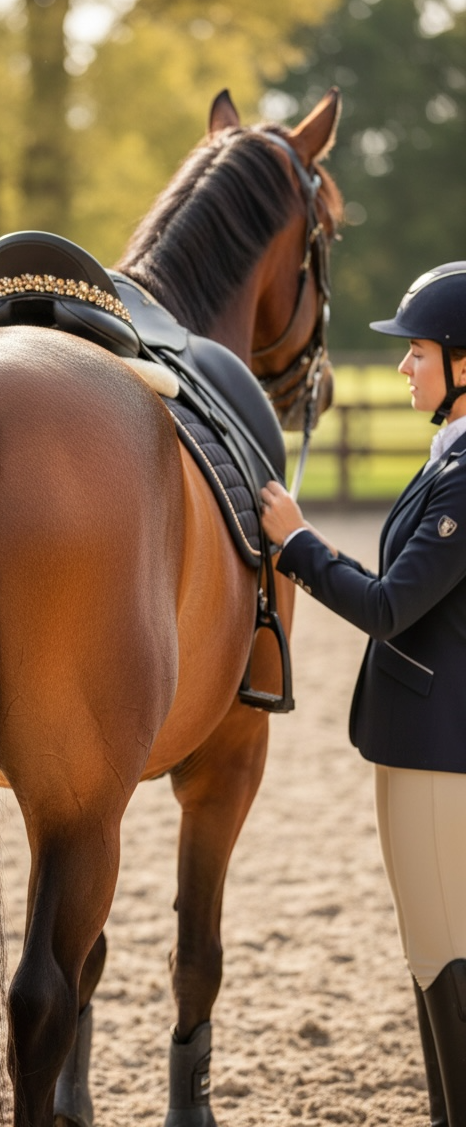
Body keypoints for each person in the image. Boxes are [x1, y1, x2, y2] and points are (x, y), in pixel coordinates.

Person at [260, 262, 466, 1127]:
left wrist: (299, 545)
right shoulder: (449, 459)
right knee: (433, 958)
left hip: (438, 752)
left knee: (446, 958)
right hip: (418, 741)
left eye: (416, 352)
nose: (403, 369)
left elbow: (388, 606)